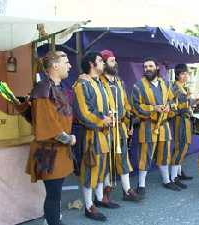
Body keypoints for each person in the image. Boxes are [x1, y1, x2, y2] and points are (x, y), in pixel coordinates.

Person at [25, 51, 75, 225]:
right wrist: (70, 139)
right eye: (66, 61)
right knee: (53, 195)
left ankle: (52, 221)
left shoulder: (55, 87)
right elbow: (49, 127)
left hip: (57, 152)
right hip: (48, 153)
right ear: (55, 65)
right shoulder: (43, 89)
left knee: (56, 193)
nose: (69, 65)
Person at [72, 52, 116, 221]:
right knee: (90, 169)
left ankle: (98, 200)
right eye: (99, 60)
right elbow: (83, 113)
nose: (103, 63)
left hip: (102, 133)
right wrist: (102, 120)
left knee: (101, 168)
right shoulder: (81, 84)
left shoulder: (98, 82)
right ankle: (89, 206)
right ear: (91, 64)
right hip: (90, 134)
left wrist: (109, 118)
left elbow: (102, 109)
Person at [131, 57, 180, 197]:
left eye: (150, 66)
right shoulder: (138, 86)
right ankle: (141, 185)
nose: (147, 69)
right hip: (147, 125)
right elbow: (135, 107)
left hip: (164, 126)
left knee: (165, 154)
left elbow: (172, 100)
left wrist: (169, 107)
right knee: (145, 155)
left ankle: (167, 180)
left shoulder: (165, 84)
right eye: (145, 67)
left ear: (157, 68)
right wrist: (154, 108)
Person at [99, 50, 141, 202]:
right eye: (111, 60)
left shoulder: (119, 82)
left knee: (123, 158)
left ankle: (127, 190)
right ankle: (106, 191)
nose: (114, 63)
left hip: (121, 128)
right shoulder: (98, 82)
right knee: (107, 161)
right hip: (106, 129)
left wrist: (130, 115)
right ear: (103, 63)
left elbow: (125, 103)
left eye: (115, 60)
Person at [170, 64, 198, 188]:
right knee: (180, 146)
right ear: (177, 75)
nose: (186, 75)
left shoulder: (184, 87)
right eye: (183, 73)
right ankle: (173, 177)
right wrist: (189, 101)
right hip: (179, 120)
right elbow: (176, 106)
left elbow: (186, 105)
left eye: (187, 73)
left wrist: (192, 102)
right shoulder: (175, 87)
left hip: (185, 120)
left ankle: (179, 172)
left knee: (184, 146)